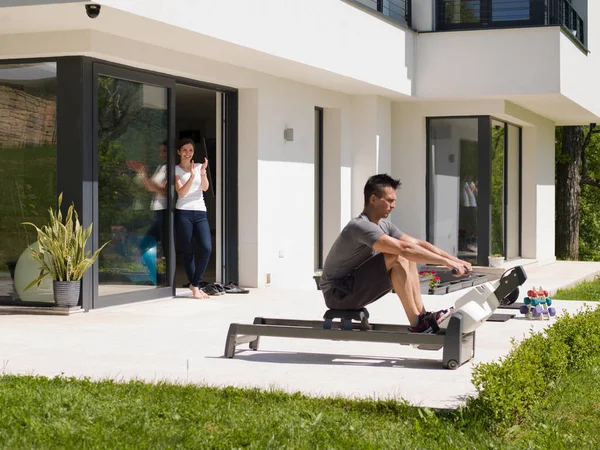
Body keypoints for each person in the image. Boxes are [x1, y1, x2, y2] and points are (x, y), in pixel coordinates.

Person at [319, 174, 472, 333]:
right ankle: (417, 322)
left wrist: (456, 260)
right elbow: (404, 249)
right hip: (337, 294)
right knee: (398, 255)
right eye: (390, 200)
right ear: (373, 200)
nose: (393, 206)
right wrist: (447, 263)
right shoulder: (360, 226)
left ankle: (422, 316)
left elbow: (418, 244)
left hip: (352, 287)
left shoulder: (384, 226)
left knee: (407, 255)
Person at [126, 141, 168, 285]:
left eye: (166, 151)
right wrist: (143, 173)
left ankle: (166, 280)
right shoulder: (161, 167)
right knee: (144, 245)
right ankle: (157, 277)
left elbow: (164, 191)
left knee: (166, 247)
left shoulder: (173, 169)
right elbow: (150, 187)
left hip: (166, 212)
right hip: (157, 211)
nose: (163, 154)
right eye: (161, 151)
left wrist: (149, 179)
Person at [175, 138, 212, 299]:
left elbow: (204, 188)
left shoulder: (198, 167)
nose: (187, 153)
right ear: (179, 152)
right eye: (184, 150)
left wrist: (202, 173)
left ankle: (195, 283)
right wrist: (190, 177)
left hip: (200, 212)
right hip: (184, 212)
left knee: (206, 247)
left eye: (190, 150)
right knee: (188, 251)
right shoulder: (176, 169)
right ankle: (195, 286)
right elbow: (181, 193)